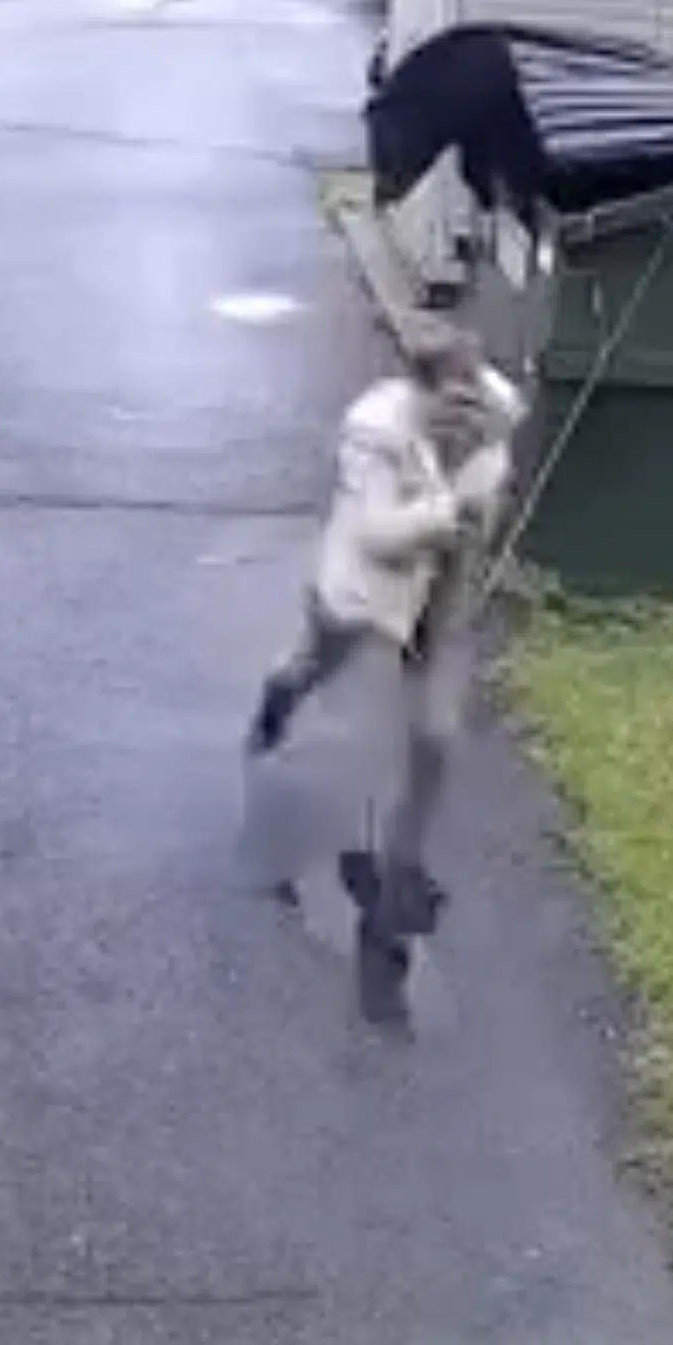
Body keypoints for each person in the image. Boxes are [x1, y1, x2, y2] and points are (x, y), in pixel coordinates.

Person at [247, 318, 526, 1020]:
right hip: (364, 592)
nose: (462, 412)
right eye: (449, 401)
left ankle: (402, 862)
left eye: (472, 396)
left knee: (433, 732)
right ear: (418, 391)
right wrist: (446, 510)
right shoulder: (374, 432)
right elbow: (377, 536)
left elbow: (504, 425)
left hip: (440, 596)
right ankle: (280, 696)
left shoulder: (486, 407)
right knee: (318, 660)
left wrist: (477, 484)